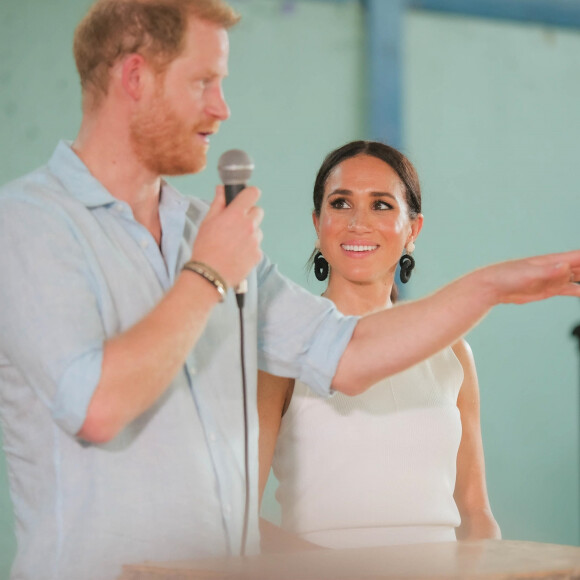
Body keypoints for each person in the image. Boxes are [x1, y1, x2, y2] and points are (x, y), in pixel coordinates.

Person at [0, 1, 579, 579]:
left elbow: (349, 354)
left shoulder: (206, 231)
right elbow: (97, 407)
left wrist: (494, 286)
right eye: (204, 81)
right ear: (134, 77)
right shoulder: (29, 223)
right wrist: (208, 275)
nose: (221, 108)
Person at [258, 141, 501, 551]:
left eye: (382, 205)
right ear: (318, 223)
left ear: (413, 229)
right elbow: (234, 513)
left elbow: (476, 512)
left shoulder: (454, 352)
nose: (358, 223)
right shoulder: (284, 346)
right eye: (340, 203)